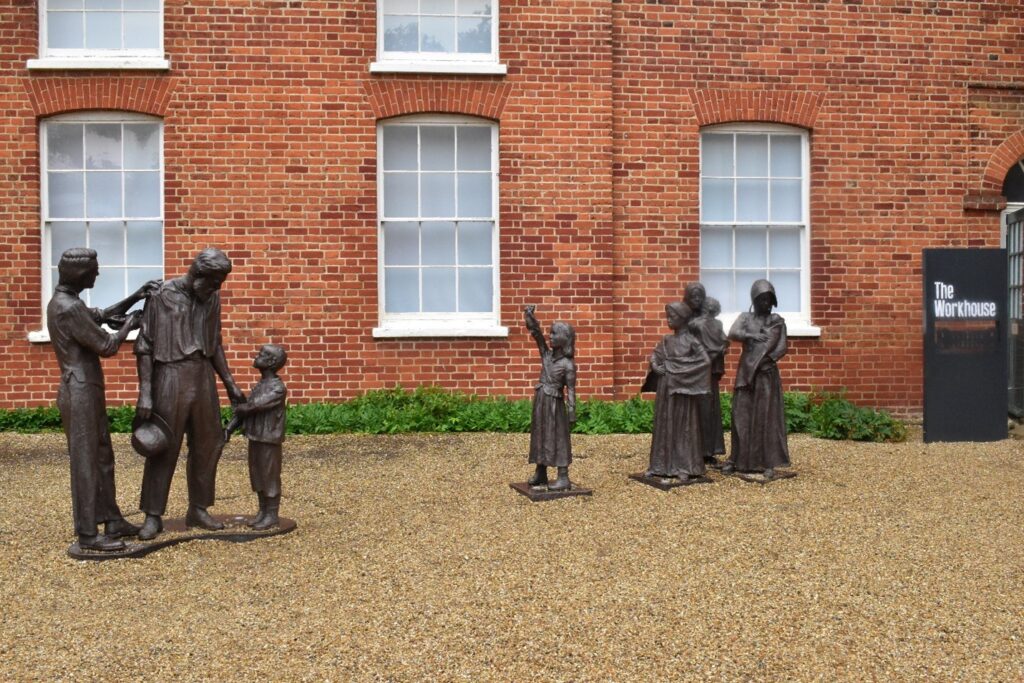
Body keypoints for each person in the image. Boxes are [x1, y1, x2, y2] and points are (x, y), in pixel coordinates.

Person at [47, 248, 157, 551]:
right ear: (82, 274)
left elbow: (101, 315)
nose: (98, 273)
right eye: (94, 270)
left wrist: (136, 295)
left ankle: (112, 519)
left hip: (86, 389)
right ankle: (87, 534)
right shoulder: (68, 308)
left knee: (102, 456)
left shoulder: (70, 302)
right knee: (85, 462)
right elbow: (107, 345)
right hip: (78, 390)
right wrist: (129, 326)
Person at [134, 248, 246, 540]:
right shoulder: (161, 295)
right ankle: (153, 515)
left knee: (208, 445)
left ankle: (198, 508)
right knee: (164, 446)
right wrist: (145, 392)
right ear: (197, 274)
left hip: (202, 375)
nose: (217, 288)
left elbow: (216, 343)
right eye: (214, 281)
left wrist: (230, 384)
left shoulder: (212, 297)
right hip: (170, 374)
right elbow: (144, 345)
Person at [724, 279, 790, 479]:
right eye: (762, 300)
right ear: (754, 299)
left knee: (766, 417)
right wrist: (752, 335)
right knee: (740, 415)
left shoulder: (776, 320)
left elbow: (781, 347)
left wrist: (766, 361)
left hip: (765, 374)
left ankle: (767, 461)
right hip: (746, 372)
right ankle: (737, 458)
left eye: (770, 300)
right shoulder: (746, 318)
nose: (766, 304)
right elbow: (733, 332)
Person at [224, 345, 288, 530]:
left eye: (262, 355)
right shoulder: (261, 385)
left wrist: (239, 404)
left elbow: (252, 407)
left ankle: (272, 514)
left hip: (268, 440)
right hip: (256, 437)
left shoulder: (276, 388)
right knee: (258, 475)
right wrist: (229, 428)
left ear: (271, 362)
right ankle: (263, 511)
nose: (256, 356)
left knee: (269, 476)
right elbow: (246, 410)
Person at [646, 301, 711, 481]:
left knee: (683, 428)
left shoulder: (692, 341)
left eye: (672, 317)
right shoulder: (667, 340)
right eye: (667, 316)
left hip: (683, 391)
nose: (668, 320)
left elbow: (705, 362)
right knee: (664, 425)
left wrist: (676, 368)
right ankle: (659, 465)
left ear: (682, 319)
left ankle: (684, 465)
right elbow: (656, 355)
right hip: (665, 389)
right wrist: (654, 365)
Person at [523, 306, 577, 491]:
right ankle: (541, 472)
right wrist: (529, 316)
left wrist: (571, 410)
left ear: (564, 339)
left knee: (559, 437)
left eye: (554, 334)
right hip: (541, 402)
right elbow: (536, 334)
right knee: (540, 435)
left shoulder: (568, 365)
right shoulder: (546, 355)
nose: (550, 337)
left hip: (555, 404)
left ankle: (563, 477)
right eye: (550, 333)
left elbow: (571, 389)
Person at [684, 284, 729, 466]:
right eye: (692, 296)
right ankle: (689, 450)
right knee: (691, 409)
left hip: (709, 372)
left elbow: (724, 340)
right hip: (691, 371)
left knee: (709, 409)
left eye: (699, 296)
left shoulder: (709, 322)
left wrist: (720, 349)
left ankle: (708, 450)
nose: (696, 300)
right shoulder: (687, 319)